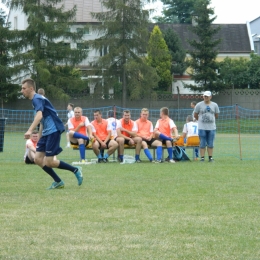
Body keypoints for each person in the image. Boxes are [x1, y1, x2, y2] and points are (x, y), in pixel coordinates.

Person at [21, 78, 83, 189]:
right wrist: (40, 136)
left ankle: (76, 169)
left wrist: (30, 130)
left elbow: (39, 116)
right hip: (46, 132)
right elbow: (42, 120)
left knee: (49, 162)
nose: (22, 91)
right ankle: (58, 181)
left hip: (53, 131)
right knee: (38, 159)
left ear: (31, 89)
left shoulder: (37, 99)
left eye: (24, 88)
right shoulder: (36, 100)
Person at [194, 91, 220, 162]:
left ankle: (210, 157)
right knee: (202, 142)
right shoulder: (199, 105)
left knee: (210, 143)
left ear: (210, 97)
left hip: (211, 127)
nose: (206, 97)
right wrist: (200, 120)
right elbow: (195, 114)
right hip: (202, 127)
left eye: (207, 96)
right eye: (204, 96)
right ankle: (202, 158)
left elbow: (216, 115)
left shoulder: (215, 105)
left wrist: (211, 119)